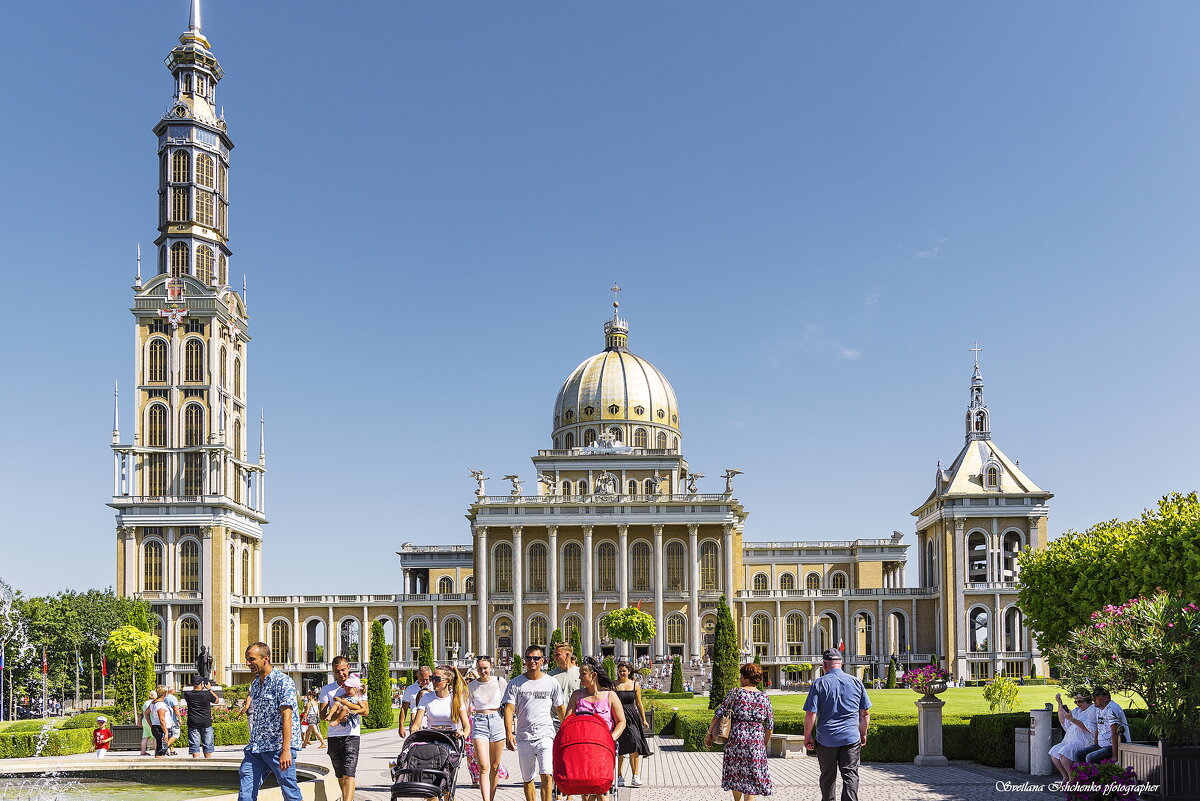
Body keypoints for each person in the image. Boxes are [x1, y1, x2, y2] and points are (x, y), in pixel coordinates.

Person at [802, 649, 870, 801]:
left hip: (826, 738)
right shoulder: (856, 682)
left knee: (827, 776)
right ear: (841, 664)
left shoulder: (819, 683)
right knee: (850, 774)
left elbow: (810, 714)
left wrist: (807, 736)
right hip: (851, 738)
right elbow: (865, 713)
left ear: (824, 665)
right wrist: (863, 733)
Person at [238, 641, 302, 801]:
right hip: (256, 749)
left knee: (290, 792)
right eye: (247, 659)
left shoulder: (283, 682)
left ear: (265, 659)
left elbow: (287, 716)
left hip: (278, 748)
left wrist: (286, 750)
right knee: (245, 795)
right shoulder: (255, 683)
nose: (248, 663)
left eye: (251, 659)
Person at [503, 645, 567, 801]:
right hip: (524, 737)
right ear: (524, 660)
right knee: (528, 778)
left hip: (545, 735)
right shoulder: (515, 683)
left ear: (542, 661)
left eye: (536, 658)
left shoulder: (551, 683)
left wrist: (567, 730)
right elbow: (509, 710)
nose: (532, 661)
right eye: (529, 658)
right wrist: (509, 733)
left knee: (546, 774)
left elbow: (560, 709)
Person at [707, 663, 775, 801]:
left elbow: (719, 714)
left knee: (735, 776)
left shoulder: (735, 693)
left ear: (745, 678)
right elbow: (769, 725)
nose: (739, 679)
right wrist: (764, 743)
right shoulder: (764, 698)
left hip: (736, 741)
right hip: (755, 743)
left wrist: (709, 733)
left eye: (741, 676)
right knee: (751, 780)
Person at [564, 660, 627, 801]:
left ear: (593, 675)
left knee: (601, 789)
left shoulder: (610, 696)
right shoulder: (577, 696)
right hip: (582, 748)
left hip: (602, 748)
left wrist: (610, 739)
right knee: (585, 789)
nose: (579, 678)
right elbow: (567, 722)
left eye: (583, 674)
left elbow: (621, 722)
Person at [319, 655, 369, 801]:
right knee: (340, 774)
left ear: (348, 668)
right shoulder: (328, 690)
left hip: (352, 735)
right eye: (337, 671)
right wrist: (336, 716)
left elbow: (365, 711)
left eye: (343, 670)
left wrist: (348, 708)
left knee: (349, 773)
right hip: (334, 736)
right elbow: (322, 716)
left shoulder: (356, 687)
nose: (341, 674)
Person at [468, 655, 508, 801]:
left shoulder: (500, 682)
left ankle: (491, 797)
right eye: (480, 668)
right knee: (484, 766)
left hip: (497, 721)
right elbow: (463, 707)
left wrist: (511, 730)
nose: (483, 671)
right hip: (479, 722)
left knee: (495, 765)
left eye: (485, 668)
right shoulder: (472, 686)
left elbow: (509, 705)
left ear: (491, 667)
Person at [614, 662, 652, 787]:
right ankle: (619, 776)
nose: (621, 673)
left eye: (624, 670)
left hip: (632, 717)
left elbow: (639, 703)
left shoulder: (635, 685)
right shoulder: (614, 685)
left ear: (629, 671)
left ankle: (635, 775)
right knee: (620, 747)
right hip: (618, 717)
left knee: (635, 743)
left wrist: (644, 719)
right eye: (620, 671)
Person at [1050, 692, 1096, 783]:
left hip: (1083, 740)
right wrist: (1060, 703)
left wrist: (1072, 719)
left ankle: (1073, 779)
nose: (1078, 704)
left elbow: (1089, 728)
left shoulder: (1093, 710)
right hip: (1069, 739)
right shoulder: (1077, 710)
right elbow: (1063, 721)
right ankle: (1065, 777)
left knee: (1064, 753)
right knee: (1054, 752)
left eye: (1080, 701)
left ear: (1087, 700)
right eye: (1076, 702)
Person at [412, 665, 471, 735]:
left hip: (451, 739)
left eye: (437, 679)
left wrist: (462, 735)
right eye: (432, 678)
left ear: (448, 681)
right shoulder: (426, 697)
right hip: (431, 738)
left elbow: (466, 726)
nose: (433, 681)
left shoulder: (456, 699)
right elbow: (416, 725)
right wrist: (414, 731)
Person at [1078, 687, 1131, 764]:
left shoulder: (1112, 709)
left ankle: (1096, 775)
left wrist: (1115, 756)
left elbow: (1115, 733)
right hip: (1102, 744)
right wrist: (1095, 744)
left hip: (1113, 746)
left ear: (1105, 698)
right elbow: (1099, 727)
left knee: (1091, 758)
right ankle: (1083, 775)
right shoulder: (1099, 709)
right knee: (1079, 755)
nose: (1093, 700)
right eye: (1093, 698)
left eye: (1096, 698)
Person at [183, 674, 220, 759]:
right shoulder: (207, 694)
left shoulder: (187, 694)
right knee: (208, 745)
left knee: (194, 745)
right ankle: (208, 763)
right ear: (201, 683)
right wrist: (209, 689)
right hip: (205, 722)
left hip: (193, 722)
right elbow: (216, 700)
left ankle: (196, 764)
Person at [399, 666, 434, 735]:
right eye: (422, 680)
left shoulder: (435, 687)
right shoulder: (410, 689)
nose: (424, 682)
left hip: (431, 724)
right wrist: (401, 726)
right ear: (417, 676)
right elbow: (404, 708)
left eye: (427, 679)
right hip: (414, 722)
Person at [150, 689, 172, 758]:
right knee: (161, 748)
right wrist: (166, 732)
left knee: (160, 746)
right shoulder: (160, 705)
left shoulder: (153, 703)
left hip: (156, 726)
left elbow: (146, 713)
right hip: (161, 728)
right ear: (164, 694)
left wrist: (151, 723)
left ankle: (159, 759)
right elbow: (162, 719)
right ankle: (160, 762)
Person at [162, 684, 182, 756]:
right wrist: (179, 719)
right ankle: (164, 747)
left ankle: (172, 750)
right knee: (176, 734)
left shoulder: (164, 698)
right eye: (174, 689)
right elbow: (176, 709)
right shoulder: (173, 698)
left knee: (169, 735)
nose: (175, 690)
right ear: (171, 691)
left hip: (166, 719)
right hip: (173, 720)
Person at [140, 691, 158, 755]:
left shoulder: (145, 702)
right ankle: (156, 751)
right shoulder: (154, 702)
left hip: (144, 720)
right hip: (151, 720)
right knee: (155, 736)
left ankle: (143, 751)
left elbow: (142, 712)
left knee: (145, 736)